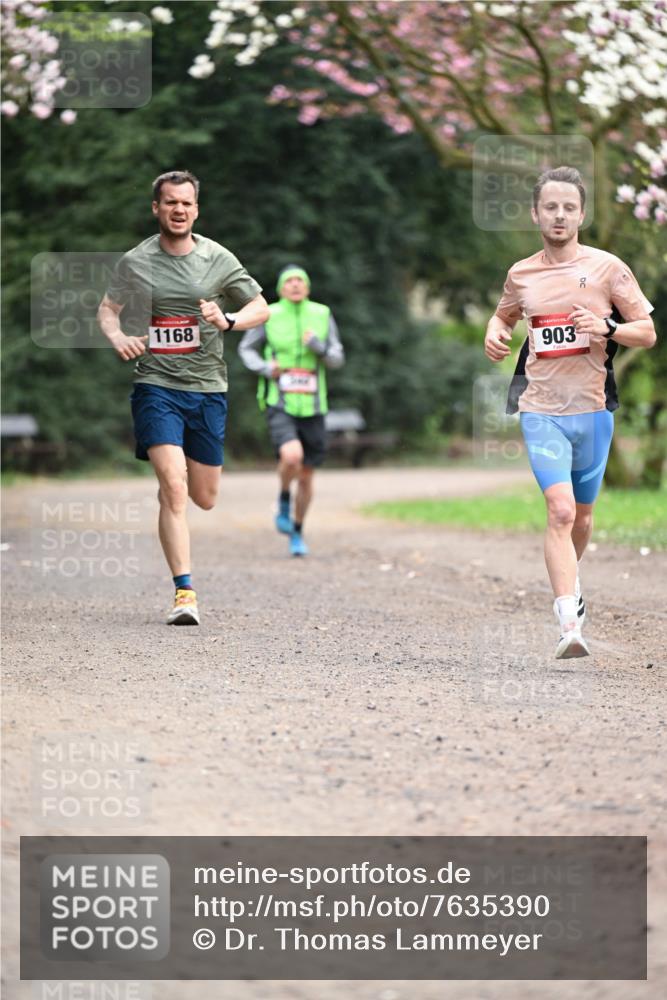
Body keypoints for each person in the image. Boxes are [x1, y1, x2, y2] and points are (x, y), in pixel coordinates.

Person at [484, 165, 656, 659]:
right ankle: (568, 623)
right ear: (535, 214)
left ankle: (571, 584)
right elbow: (504, 314)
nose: (559, 215)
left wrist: (607, 327)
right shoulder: (521, 273)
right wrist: (494, 331)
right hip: (540, 409)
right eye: (550, 207)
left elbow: (647, 332)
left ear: (581, 214)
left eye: (568, 208)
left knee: (581, 517)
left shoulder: (608, 268)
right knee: (559, 510)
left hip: (593, 410)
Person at [98, 170, 269, 625]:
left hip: (207, 388)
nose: (178, 209)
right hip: (155, 384)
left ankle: (173, 486)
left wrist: (228, 320)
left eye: (186, 203)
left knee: (204, 497)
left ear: (196, 210)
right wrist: (117, 337)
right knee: (174, 487)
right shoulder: (136, 261)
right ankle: (184, 593)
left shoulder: (217, 257)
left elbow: (260, 307)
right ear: (156, 208)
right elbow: (108, 310)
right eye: (170, 202)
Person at [238, 265, 344, 556]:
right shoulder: (269, 314)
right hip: (280, 401)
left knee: (307, 476)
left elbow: (337, 358)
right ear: (281, 288)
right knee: (291, 456)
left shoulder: (322, 314)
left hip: (314, 405)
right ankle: (284, 497)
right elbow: (246, 349)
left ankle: (297, 530)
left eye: (300, 280)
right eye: (289, 281)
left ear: (307, 287)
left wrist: (319, 347)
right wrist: (264, 367)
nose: (295, 285)